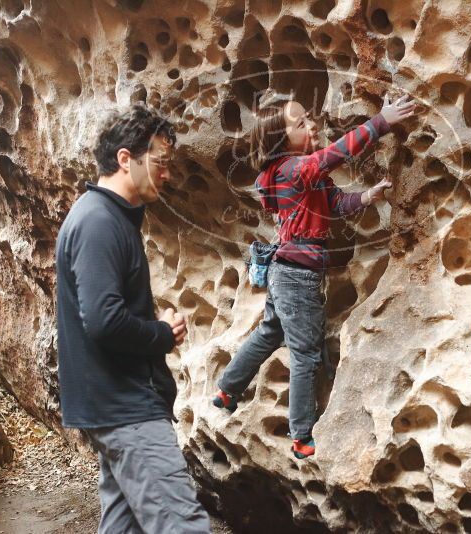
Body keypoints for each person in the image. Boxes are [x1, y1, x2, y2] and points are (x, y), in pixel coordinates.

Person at [212, 92, 416, 459]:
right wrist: (381, 121)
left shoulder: (299, 175)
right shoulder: (294, 169)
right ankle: (301, 435)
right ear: (279, 140)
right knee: (305, 356)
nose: (312, 124)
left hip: (284, 272)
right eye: (300, 123)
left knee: (270, 332)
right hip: (296, 277)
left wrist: (366, 197)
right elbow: (332, 156)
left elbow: (335, 204)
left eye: (308, 117)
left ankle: (227, 389)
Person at [55, 104, 211, 534]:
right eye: (160, 162)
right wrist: (162, 333)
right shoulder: (99, 222)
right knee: (184, 525)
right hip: (127, 410)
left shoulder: (105, 218)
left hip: (114, 408)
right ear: (127, 159)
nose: (167, 174)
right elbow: (103, 321)